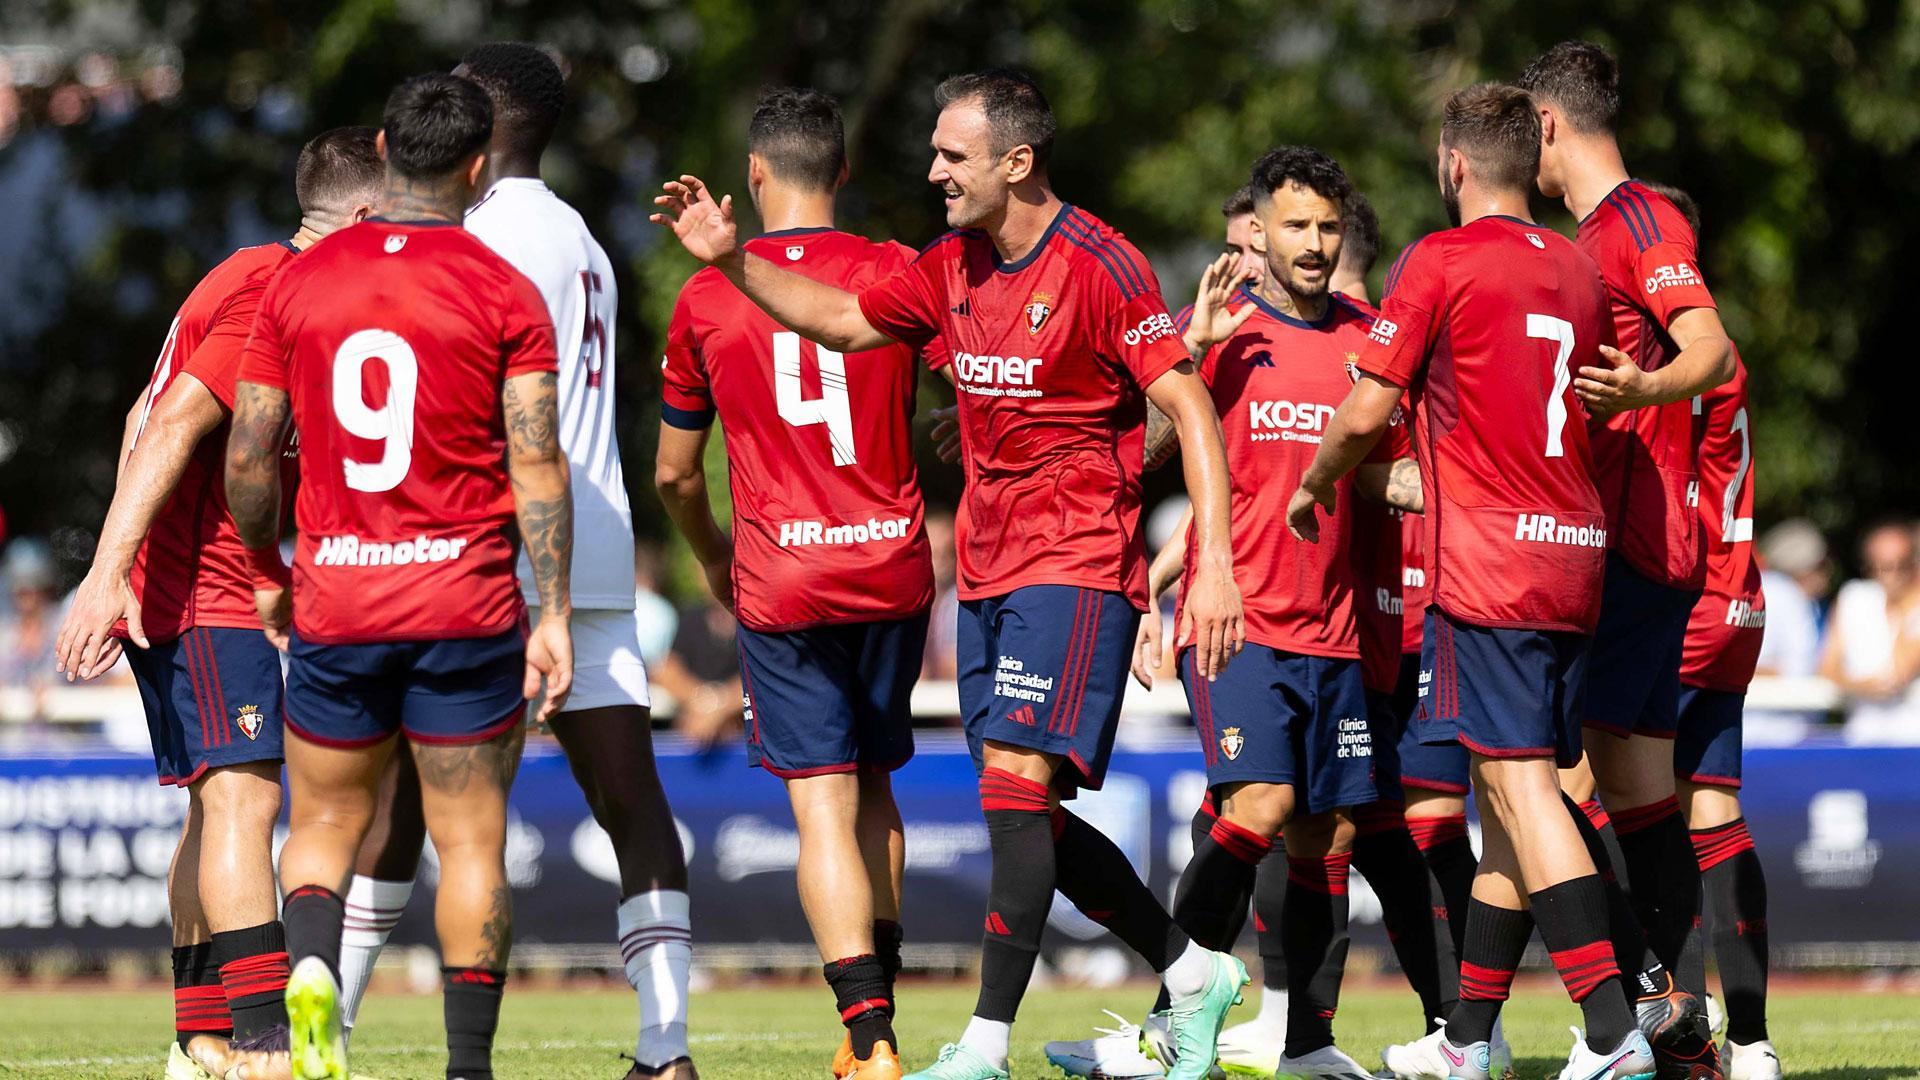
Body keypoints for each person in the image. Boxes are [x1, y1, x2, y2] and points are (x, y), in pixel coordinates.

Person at [652, 67, 1248, 1080]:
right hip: (983, 570)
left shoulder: (1102, 263)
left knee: (1015, 792)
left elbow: (1187, 406)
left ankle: (981, 1046)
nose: (931, 171)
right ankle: (1191, 971)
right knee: (1025, 813)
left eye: (952, 155)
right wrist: (732, 262)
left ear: (1017, 162)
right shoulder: (946, 265)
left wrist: (1215, 562)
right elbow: (843, 322)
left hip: (1075, 559)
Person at [332, 45, 697, 1079]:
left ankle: (334, 1039)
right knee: (633, 807)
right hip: (598, 551)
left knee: (409, 808)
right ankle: (667, 1050)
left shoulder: (472, 242)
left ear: (477, 132)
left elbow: (485, 419)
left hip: (495, 560)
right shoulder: (584, 237)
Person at [1292, 83, 1653, 1080]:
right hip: (1572, 551)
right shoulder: (1580, 268)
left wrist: (1315, 480)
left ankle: (1616, 1032)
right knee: (1506, 792)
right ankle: (1465, 1040)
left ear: (1453, 164)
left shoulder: (1440, 260)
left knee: (1523, 787)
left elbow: (1368, 412)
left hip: (1489, 563)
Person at [222, 73, 573, 1080]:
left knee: (324, 826)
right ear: (477, 165)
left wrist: (263, 566)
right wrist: (551, 610)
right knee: (469, 843)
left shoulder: (299, 280)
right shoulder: (503, 286)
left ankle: (317, 979)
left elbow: (250, 454)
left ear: (383, 147)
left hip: (338, 598)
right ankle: (467, 1069)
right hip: (464, 606)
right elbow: (536, 462)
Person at [50, 126, 382, 1080]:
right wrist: (111, 572)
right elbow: (172, 423)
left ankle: (199, 1037)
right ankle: (263, 1043)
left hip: (194, 578)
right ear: (360, 216)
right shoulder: (270, 285)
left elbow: (136, 416)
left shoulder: (255, 276)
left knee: (213, 810)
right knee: (246, 799)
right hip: (204, 585)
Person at [656, 85, 938, 1080]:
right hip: (893, 566)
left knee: (820, 804)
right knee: (875, 790)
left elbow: (674, 472)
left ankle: (868, 1034)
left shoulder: (706, 294)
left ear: (755, 176)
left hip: (784, 576)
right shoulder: (900, 270)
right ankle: (880, 1022)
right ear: (845, 174)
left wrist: (709, 555)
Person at [1519, 48, 1738, 1070]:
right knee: (1641, 798)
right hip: (1638, 554)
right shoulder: (1591, 234)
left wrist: (1638, 395)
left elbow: (1711, 349)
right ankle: (1680, 1026)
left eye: (1530, 131)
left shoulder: (1639, 221)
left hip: (1632, 556)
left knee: (1528, 780)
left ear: (1551, 125)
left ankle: (1631, 1007)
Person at [1822, 522, 1920, 743]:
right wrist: (1860, 686)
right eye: (1884, 566)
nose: (1892, 574)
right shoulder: (1853, 598)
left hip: (1912, 741)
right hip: (1862, 735)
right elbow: (1827, 667)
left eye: (1901, 565)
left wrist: (1907, 605)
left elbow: (1898, 671)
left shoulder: (1915, 605)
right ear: (1869, 566)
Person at [1750, 521, 1829, 737]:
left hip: (1765, 732)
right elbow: (1800, 670)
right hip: (1778, 734)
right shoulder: (1785, 594)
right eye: (1821, 565)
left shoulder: (1774, 592)